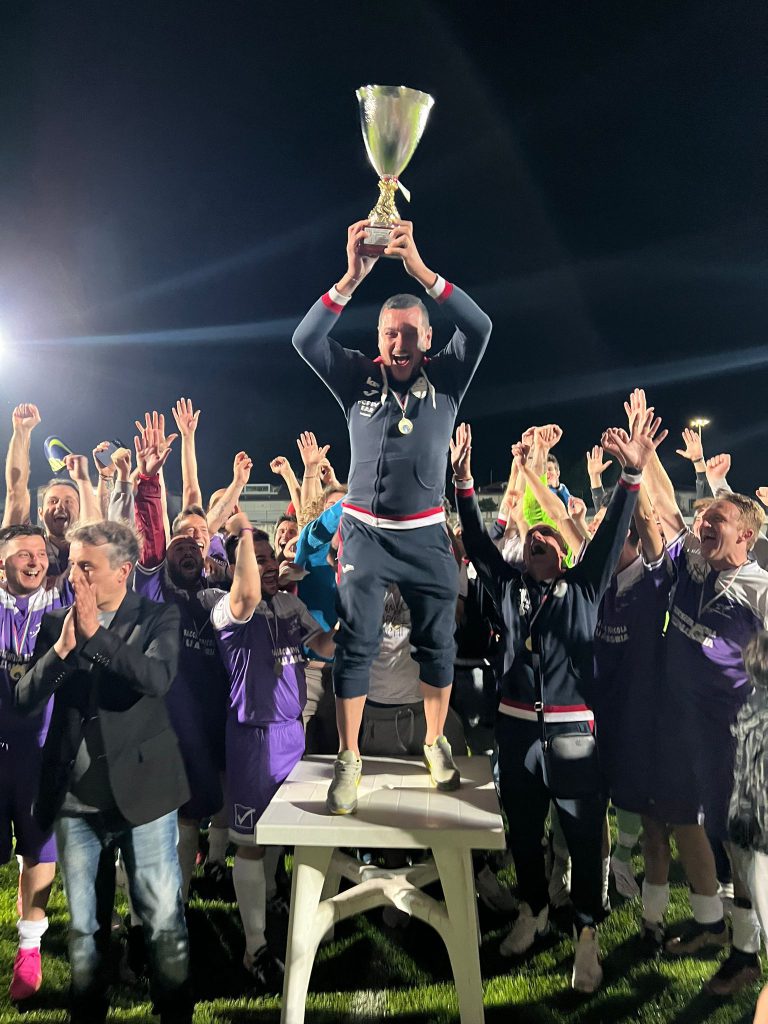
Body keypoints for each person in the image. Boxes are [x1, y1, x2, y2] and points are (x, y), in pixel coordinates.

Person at [451, 407, 667, 993]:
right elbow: (477, 542)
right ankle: (533, 910)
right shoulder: (508, 588)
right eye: (533, 539)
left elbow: (613, 533)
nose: (539, 539)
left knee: (581, 837)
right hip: (517, 729)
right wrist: (464, 481)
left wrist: (632, 475)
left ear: (565, 554)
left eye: (549, 537)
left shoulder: (584, 587)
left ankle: (586, 934)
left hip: (572, 734)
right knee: (523, 833)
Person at [292, 219, 492, 813]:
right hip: (366, 533)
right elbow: (305, 339)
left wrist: (421, 271)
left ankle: (434, 742)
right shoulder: (358, 377)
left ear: (427, 337)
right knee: (355, 644)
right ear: (377, 337)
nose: (398, 342)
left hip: (427, 533)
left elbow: (481, 326)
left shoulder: (448, 378)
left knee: (437, 643)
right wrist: (352, 277)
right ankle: (349, 757)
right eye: (389, 332)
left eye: (409, 332)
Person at [15, 521, 191, 1024]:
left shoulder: (157, 617)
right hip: (76, 802)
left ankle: (174, 1012)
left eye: (86, 567)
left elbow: (155, 678)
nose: (75, 576)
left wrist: (96, 636)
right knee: (85, 928)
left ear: (122, 571)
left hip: (145, 797)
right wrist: (62, 650)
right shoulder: (56, 623)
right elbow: (24, 699)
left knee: (162, 920)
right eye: (72, 565)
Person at [212, 517, 335, 988]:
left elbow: (319, 646)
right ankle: (255, 947)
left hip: (291, 733)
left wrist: (351, 624)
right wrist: (243, 534)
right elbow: (244, 595)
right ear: (236, 567)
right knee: (251, 840)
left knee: (282, 830)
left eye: (268, 559)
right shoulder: (229, 608)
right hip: (254, 737)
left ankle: (268, 901)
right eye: (255, 560)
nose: (266, 566)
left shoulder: (287, 603)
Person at [132, 421, 233, 902]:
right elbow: (152, 539)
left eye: (196, 544)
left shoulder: (216, 594)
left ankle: (205, 876)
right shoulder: (156, 591)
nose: (189, 549)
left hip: (217, 715)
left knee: (211, 800)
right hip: (170, 725)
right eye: (180, 545)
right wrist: (149, 482)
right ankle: (170, 903)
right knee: (177, 816)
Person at [0, 525, 73, 1000]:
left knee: (39, 849)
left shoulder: (61, 604)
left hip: (41, 752)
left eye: (40, 553)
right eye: (23, 553)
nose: (35, 560)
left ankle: (29, 949)